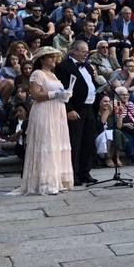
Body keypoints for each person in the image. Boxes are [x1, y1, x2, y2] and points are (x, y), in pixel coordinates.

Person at [15, 46, 74, 195]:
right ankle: (45, 182)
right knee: (47, 143)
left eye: (54, 57)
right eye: (50, 57)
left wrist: (65, 95)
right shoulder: (38, 73)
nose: (54, 60)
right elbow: (35, 94)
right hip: (44, 111)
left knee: (57, 143)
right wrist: (55, 94)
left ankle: (57, 180)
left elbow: (56, 93)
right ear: (42, 60)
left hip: (57, 111)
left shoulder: (53, 75)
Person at [56, 39, 99, 185]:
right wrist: (70, 109)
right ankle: (73, 173)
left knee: (88, 141)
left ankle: (85, 171)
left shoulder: (87, 66)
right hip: (76, 108)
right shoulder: (64, 66)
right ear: (74, 50)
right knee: (75, 142)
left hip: (89, 108)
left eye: (87, 51)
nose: (86, 54)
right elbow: (62, 89)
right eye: (83, 51)